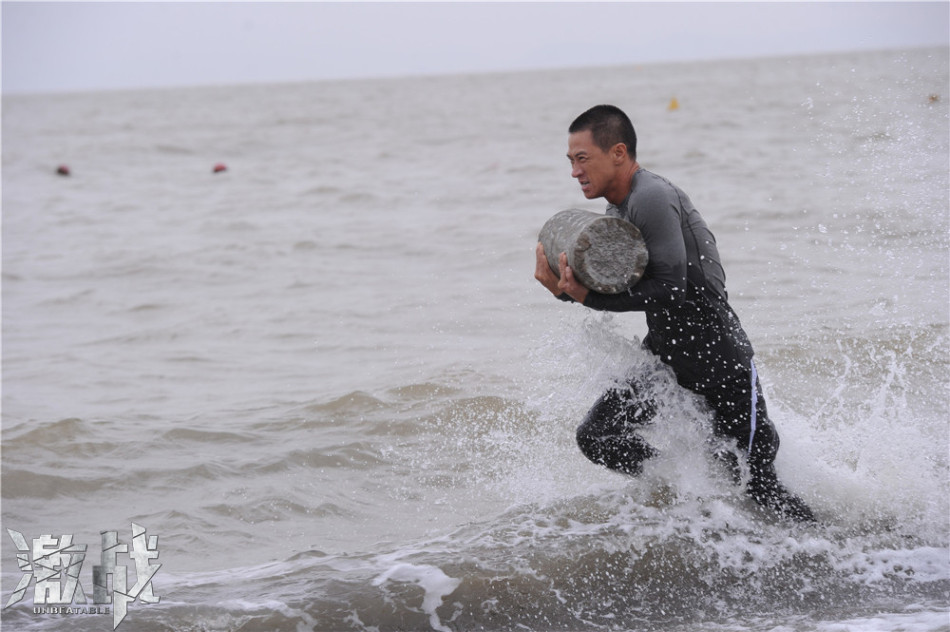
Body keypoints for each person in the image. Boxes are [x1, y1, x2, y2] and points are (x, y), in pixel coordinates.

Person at [534, 104, 815, 522]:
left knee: (759, 484)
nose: (574, 171)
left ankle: (843, 556)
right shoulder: (617, 211)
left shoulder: (651, 196)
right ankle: (685, 490)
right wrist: (560, 289)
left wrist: (583, 299)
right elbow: (613, 288)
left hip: (720, 361)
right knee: (597, 437)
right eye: (571, 161)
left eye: (582, 158)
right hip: (667, 361)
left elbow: (669, 289)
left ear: (618, 152)